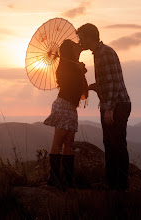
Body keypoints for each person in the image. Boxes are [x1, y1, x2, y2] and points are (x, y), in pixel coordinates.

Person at [76, 23, 131, 191]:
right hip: (111, 105)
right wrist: (89, 87)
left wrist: (109, 109)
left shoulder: (105, 53)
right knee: (109, 144)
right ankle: (112, 183)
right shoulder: (98, 53)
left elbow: (114, 83)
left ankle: (121, 186)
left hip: (117, 106)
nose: (79, 41)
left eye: (81, 38)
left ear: (88, 36)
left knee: (117, 145)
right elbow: (105, 82)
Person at [44, 39, 88, 189]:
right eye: (75, 45)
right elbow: (69, 86)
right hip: (63, 105)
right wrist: (79, 71)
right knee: (58, 142)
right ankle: (53, 179)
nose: (79, 46)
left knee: (69, 143)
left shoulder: (74, 66)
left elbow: (83, 93)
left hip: (70, 108)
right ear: (69, 49)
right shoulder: (65, 68)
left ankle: (67, 180)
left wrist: (80, 72)